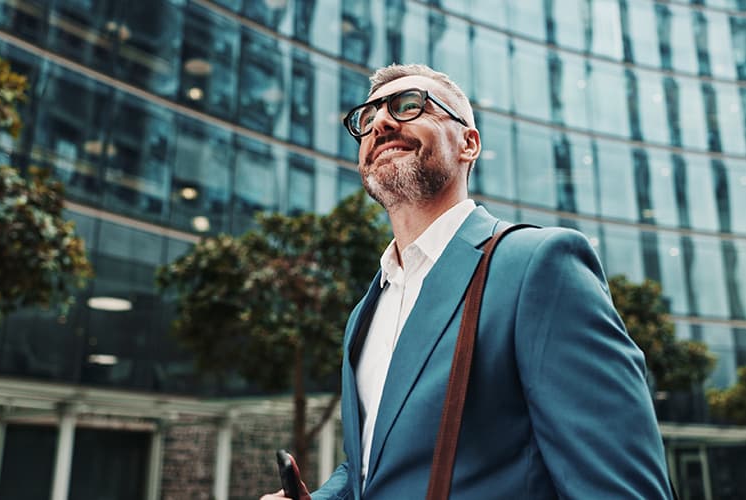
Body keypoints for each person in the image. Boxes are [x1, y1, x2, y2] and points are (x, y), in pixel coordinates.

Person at [261, 63, 674, 499]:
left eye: (408, 106)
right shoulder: (366, 310)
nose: (380, 122)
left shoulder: (537, 265)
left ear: (469, 144)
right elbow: (374, 463)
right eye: (367, 118)